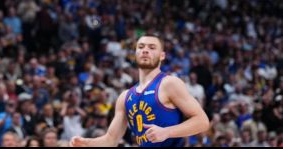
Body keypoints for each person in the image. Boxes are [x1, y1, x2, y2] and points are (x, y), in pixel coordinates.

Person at [70, 34, 209, 147]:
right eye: (141, 47)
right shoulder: (125, 97)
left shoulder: (169, 83)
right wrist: (87, 142)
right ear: (135, 53)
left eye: (152, 47)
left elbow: (202, 121)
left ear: (162, 56)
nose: (145, 50)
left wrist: (167, 132)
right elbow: (111, 140)